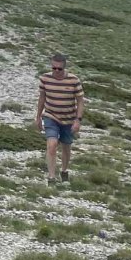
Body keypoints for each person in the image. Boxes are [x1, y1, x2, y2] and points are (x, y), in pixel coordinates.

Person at [36, 53, 85, 182]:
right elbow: (42, 98)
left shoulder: (74, 80)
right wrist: (38, 117)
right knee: (52, 145)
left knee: (66, 146)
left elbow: (80, 101)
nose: (56, 71)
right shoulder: (44, 78)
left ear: (64, 67)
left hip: (69, 119)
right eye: (54, 68)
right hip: (50, 116)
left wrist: (78, 120)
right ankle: (51, 177)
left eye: (59, 69)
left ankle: (64, 171)